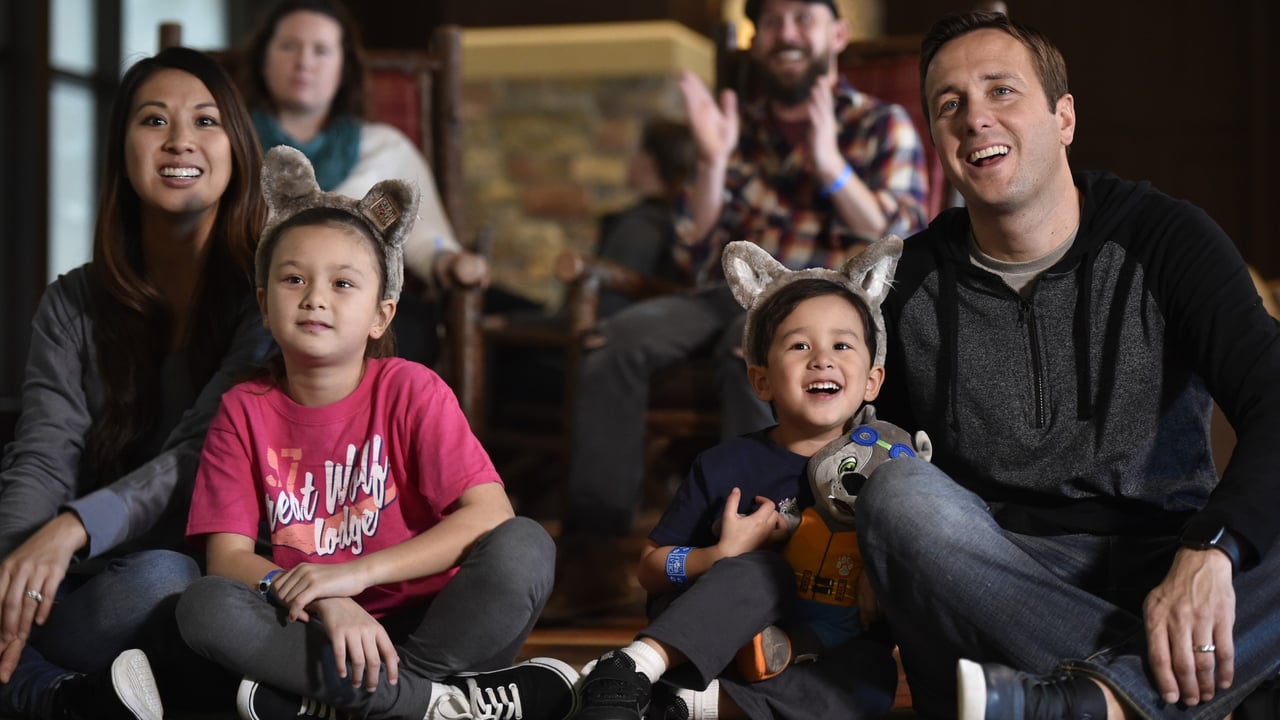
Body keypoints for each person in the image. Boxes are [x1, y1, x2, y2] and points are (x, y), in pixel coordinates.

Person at [859, 10, 1280, 720]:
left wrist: (1214, 549)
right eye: (949, 104)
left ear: (1064, 118)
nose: (975, 118)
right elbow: (863, 443)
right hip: (1000, 582)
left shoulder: (1166, 237)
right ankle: (1175, 693)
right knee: (895, 495)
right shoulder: (908, 282)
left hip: (1170, 562)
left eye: (1001, 90)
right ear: (936, 139)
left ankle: (1083, 702)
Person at [549, 0, 931, 622]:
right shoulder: (739, 127)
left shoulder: (880, 124)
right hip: (724, 291)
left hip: (821, 300)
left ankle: (766, 544)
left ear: (838, 33)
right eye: (772, 22)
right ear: (757, 41)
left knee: (752, 350)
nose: (786, 33)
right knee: (609, 344)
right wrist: (712, 160)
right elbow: (690, 247)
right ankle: (592, 562)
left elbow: (905, 237)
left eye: (802, 18)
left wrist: (830, 164)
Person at [175, 146, 577, 720]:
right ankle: (434, 706)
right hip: (319, 630)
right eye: (294, 279)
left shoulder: (412, 389)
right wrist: (329, 602)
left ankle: (367, 700)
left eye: (343, 284)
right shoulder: (243, 409)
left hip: (440, 624)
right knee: (204, 605)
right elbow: (228, 558)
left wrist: (351, 577)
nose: (315, 297)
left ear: (380, 316)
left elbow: (489, 515)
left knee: (526, 546)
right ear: (264, 305)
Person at [0, 46, 270, 719]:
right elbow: (42, 456)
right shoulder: (71, 302)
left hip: (213, 578)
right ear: (121, 152)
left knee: (164, 580)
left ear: (238, 150)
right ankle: (80, 698)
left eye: (206, 121)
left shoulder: (270, 298)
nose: (180, 140)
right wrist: (12, 569)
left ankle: (48, 694)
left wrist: (74, 526)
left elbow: (200, 452)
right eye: (154, 120)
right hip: (91, 580)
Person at [569, 238, 904, 720]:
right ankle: (632, 668)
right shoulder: (725, 464)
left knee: (869, 685)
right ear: (761, 380)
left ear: (872, 380)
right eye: (799, 345)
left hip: (810, 652)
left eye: (842, 345)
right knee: (762, 571)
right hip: (708, 637)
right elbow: (650, 567)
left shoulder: (886, 470)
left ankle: (681, 705)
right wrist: (716, 556)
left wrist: (882, 574)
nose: (821, 359)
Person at [241, 0, 488, 366]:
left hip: (361, 303)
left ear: (344, 68)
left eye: (321, 50)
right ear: (264, 58)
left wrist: (448, 258)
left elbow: (430, 238)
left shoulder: (384, 147)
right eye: (289, 46)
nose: (304, 61)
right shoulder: (233, 143)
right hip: (257, 302)